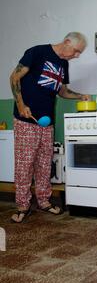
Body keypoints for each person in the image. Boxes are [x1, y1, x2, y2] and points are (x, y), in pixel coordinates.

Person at [9, 32, 90, 223]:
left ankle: (44, 201)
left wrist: (79, 95)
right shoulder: (37, 52)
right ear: (67, 42)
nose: (76, 56)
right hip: (26, 119)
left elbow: (61, 90)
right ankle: (22, 205)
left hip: (47, 121)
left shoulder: (64, 64)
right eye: (76, 51)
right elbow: (14, 77)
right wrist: (20, 105)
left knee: (45, 164)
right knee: (24, 164)